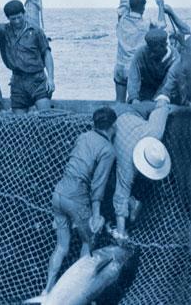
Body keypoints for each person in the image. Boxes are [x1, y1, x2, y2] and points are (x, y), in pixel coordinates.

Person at [43, 107, 117, 295]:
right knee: (89, 241)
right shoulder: (108, 150)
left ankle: (47, 291)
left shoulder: (83, 136)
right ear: (113, 126)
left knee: (61, 246)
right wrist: (96, 215)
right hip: (77, 196)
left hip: (59, 192)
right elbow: (98, 185)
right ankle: (77, 292)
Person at [110, 100, 173, 241]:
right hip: (121, 112)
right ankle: (133, 203)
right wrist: (121, 233)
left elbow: (162, 105)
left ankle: (134, 202)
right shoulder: (127, 165)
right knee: (117, 181)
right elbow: (120, 195)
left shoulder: (155, 133)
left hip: (138, 113)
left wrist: (163, 104)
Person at [113, 0, 166, 102]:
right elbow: (161, 28)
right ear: (143, 8)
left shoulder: (122, 17)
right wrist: (161, 6)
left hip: (119, 67)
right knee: (135, 102)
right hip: (133, 70)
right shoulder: (147, 23)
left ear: (130, 6)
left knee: (119, 102)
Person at [127, 29, 180, 104]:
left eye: (154, 51)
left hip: (165, 96)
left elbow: (168, 83)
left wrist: (157, 100)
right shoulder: (141, 53)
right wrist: (134, 97)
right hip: (143, 95)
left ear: (164, 46)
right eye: (149, 50)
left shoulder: (175, 58)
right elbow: (133, 78)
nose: (151, 54)